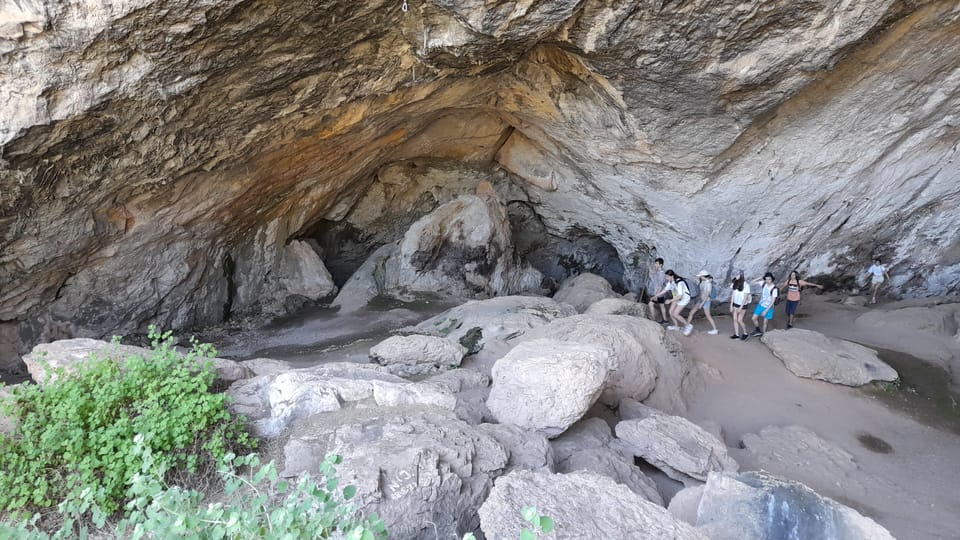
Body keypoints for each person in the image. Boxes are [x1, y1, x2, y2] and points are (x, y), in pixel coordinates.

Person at [685, 270, 718, 335]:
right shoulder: (702, 281)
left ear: (703, 276)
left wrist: (702, 304)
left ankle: (715, 329)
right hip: (700, 300)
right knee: (691, 312)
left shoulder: (708, 284)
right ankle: (687, 326)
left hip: (706, 301)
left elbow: (707, 295)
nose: (699, 277)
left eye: (700, 276)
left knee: (708, 316)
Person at [664, 269, 693, 334]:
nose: (666, 278)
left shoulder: (680, 282)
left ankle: (688, 325)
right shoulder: (670, 282)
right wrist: (655, 296)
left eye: (667, 276)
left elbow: (680, 296)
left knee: (675, 314)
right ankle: (676, 326)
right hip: (677, 298)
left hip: (684, 298)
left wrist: (670, 301)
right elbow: (664, 290)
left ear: (671, 276)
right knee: (670, 311)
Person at [750, 272, 779, 337]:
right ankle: (758, 330)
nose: (767, 281)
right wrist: (760, 277)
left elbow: (772, 302)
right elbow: (752, 283)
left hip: (769, 307)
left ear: (772, 279)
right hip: (761, 304)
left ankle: (763, 335)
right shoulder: (763, 283)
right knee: (753, 318)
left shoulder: (774, 289)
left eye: (769, 279)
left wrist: (766, 310)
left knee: (765, 322)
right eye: (766, 279)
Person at [729, 270, 751, 340]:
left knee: (739, 320)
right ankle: (736, 334)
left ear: (741, 275)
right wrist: (731, 305)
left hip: (742, 304)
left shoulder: (746, 285)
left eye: (737, 274)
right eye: (735, 274)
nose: (736, 276)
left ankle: (745, 333)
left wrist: (741, 307)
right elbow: (732, 295)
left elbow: (745, 297)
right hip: (735, 303)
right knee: (734, 319)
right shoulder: (734, 283)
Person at [646, 257, 669, 323]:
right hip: (660, 293)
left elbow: (660, 286)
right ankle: (665, 320)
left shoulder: (661, 274)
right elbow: (652, 273)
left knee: (651, 304)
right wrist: (648, 265)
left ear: (660, 264)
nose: (655, 264)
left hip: (659, 293)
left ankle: (653, 320)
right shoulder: (658, 271)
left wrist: (656, 296)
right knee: (662, 306)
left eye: (656, 263)